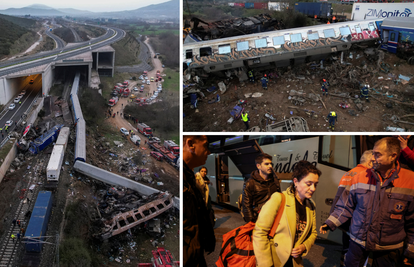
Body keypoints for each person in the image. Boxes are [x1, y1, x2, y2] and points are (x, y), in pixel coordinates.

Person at [320, 137, 414, 267]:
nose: (373, 158)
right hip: (358, 241)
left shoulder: (410, 181)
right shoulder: (359, 177)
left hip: (389, 246)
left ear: (393, 156)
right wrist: (330, 222)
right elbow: (345, 205)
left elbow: (412, 222)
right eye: (373, 154)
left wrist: (410, 251)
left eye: (378, 154)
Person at [253, 160, 321, 267]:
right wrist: (266, 264)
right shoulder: (279, 198)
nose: (313, 189)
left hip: (295, 262)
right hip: (274, 260)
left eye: (315, 184)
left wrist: (304, 246)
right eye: (309, 184)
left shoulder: (311, 205)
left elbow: (313, 233)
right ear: (296, 182)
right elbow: (259, 233)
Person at [329, 150, 373, 267]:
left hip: (343, 217)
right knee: (356, 252)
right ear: (369, 162)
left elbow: (339, 196)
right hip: (355, 220)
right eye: (374, 161)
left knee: (345, 247)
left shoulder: (348, 173)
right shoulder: (366, 175)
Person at [183, 135, 215, 267]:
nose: (209, 152)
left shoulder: (189, 177)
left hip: (196, 256)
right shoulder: (184, 179)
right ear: (191, 144)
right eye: (206, 145)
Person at [242, 153, 280, 223]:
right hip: (259, 220)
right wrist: (251, 225)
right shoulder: (250, 183)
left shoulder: (275, 181)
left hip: (274, 219)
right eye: (266, 164)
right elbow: (247, 208)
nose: (270, 166)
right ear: (258, 166)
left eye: (271, 164)